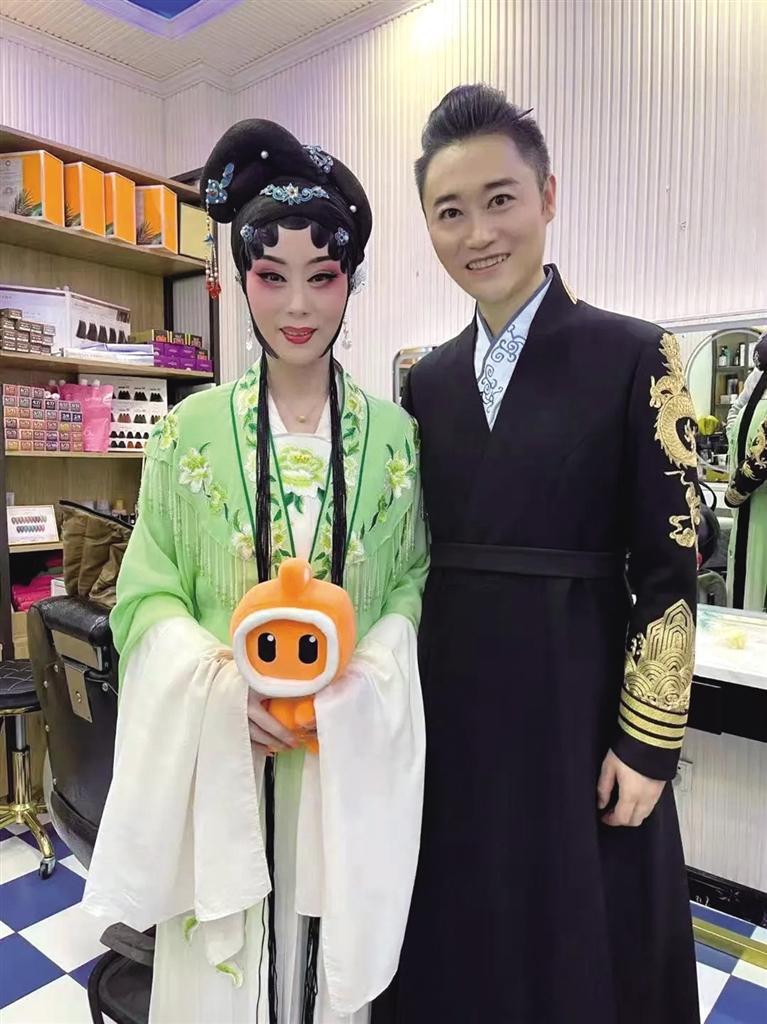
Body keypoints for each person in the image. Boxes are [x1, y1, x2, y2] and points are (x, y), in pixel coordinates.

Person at [84, 119, 428, 1024]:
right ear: (240, 280)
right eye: (272, 277)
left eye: (322, 276)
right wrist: (215, 691)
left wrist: (357, 688)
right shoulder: (185, 432)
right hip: (223, 758)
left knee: (326, 967)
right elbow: (145, 589)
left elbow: (409, 582)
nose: (297, 306)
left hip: (338, 763)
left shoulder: (396, 439)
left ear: (351, 280)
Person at [375, 85, 700, 1024]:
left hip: (578, 713)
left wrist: (647, 743)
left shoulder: (635, 356)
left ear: (547, 197)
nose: (478, 233)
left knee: (576, 948)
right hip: (451, 714)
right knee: (458, 945)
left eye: (500, 199)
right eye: (449, 212)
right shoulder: (425, 383)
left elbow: (671, 570)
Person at [725, 330, 767, 610]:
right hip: (749, 513)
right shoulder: (757, 381)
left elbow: (760, 461)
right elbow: (735, 410)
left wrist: (737, 490)